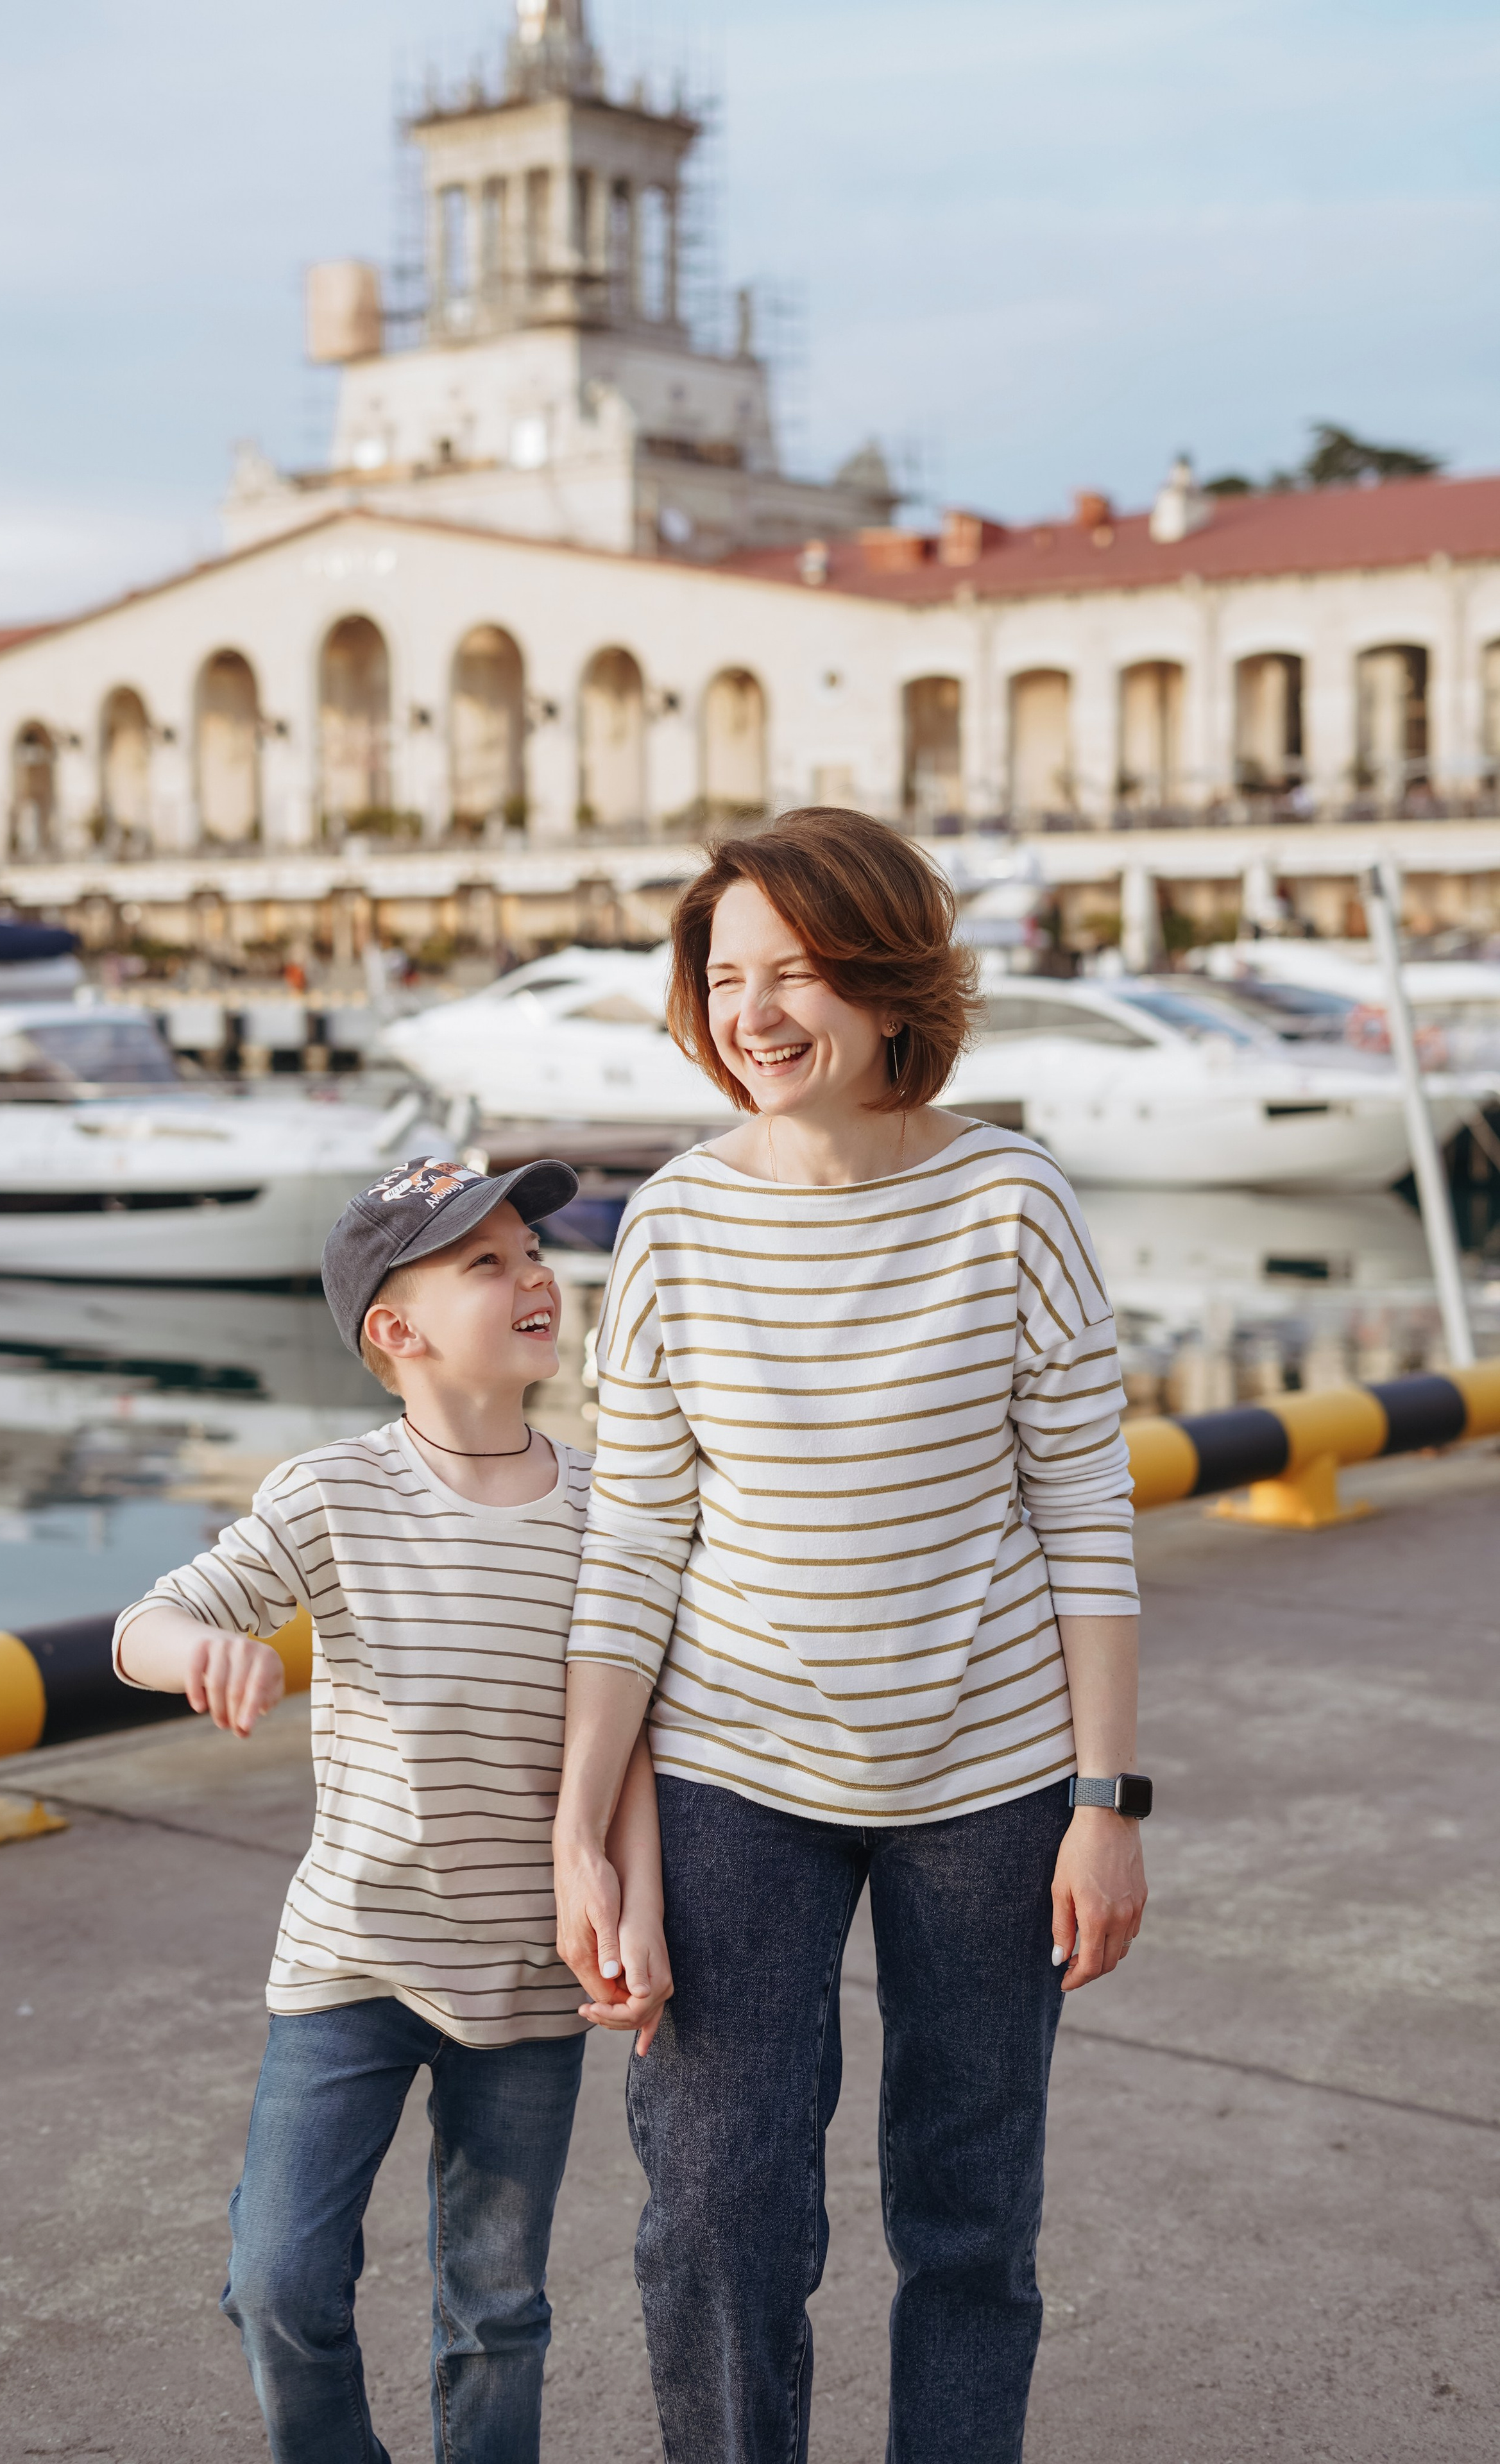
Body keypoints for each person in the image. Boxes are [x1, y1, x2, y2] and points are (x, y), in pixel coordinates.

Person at [552, 809, 1149, 2464]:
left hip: (995, 1775)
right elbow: (631, 1542)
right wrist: (582, 1828)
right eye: (722, 975)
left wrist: (1107, 1806)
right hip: (737, 1766)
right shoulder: (669, 1224)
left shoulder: (1011, 1202)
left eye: (794, 972)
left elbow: (1086, 1519)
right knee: (719, 2207)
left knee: (969, 2214)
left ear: (890, 989)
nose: (750, 1012)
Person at [114, 1158, 670, 2464]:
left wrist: (639, 1916)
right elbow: (153, 1616)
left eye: (532, 1247)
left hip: (532, 1980)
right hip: (350, 1962)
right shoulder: (329, 1496)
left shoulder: (609, 1505)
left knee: (497, 2311)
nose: (534, 1274)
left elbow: (635, 1729)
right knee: (279, 2281)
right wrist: (198, 1651)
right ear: (395, 1331)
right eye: (484, 1263)